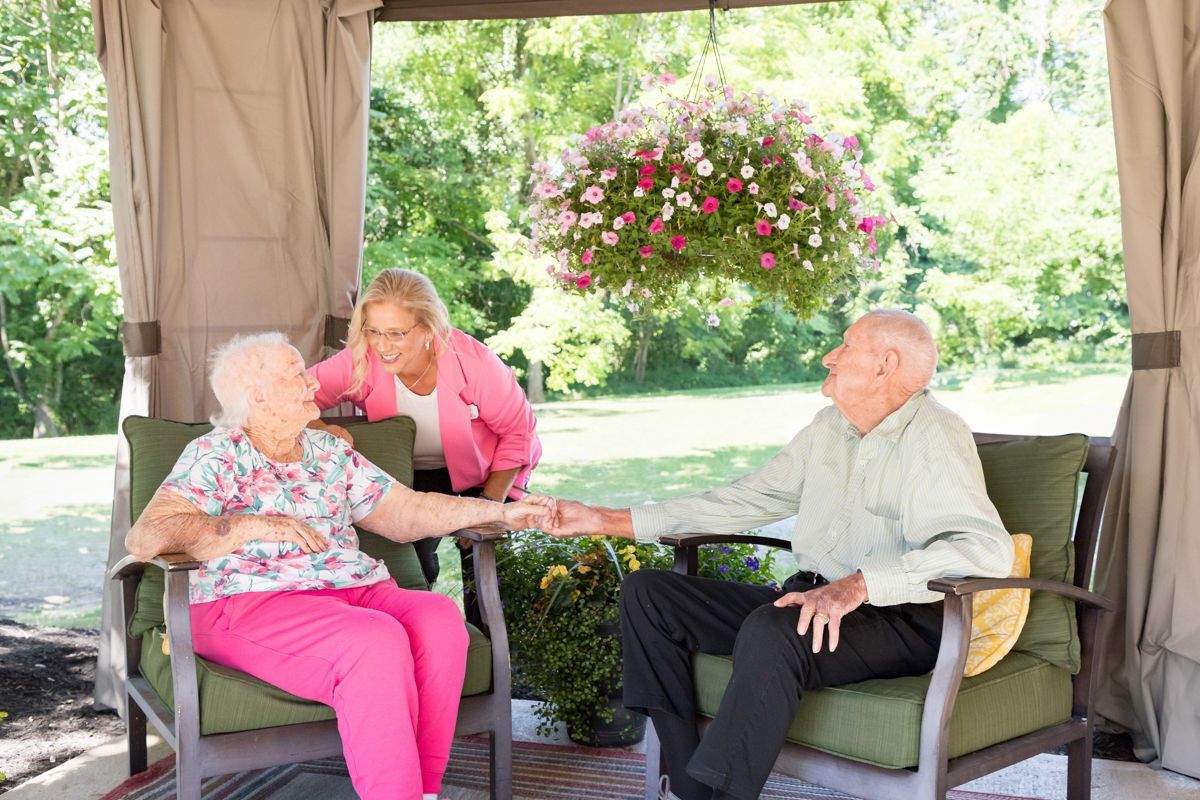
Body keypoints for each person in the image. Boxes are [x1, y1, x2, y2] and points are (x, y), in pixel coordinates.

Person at [545, 309, 1013, 800]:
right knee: (649, 594)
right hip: (810, 602)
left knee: (774, 627)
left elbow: (984, 549)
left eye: (846, 346)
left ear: (885, 365)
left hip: (900, 618)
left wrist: (858, 584)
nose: (830, 355)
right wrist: (603, 518)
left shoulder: (935, 435)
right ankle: (686, 785)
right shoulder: (829, 428)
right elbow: (748, 500)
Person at [125, 332, 555, 800]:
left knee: (438, 618)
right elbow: (146, 537)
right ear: (258, 396)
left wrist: (500, 511)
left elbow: (407, 511)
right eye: (295, 375)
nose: (311, 383)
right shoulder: (216, 454)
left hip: (351, 589)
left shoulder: (329, 451)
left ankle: (423, 791)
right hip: (246, 603)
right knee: (373, 639)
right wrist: (252, 526)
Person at [308, 268, 542, 590]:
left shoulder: (476, 363)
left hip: (488, 474)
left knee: (490, 573)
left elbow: (518, 433)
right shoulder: (361, 359)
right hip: (410, 480)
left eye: (396, 333)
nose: (381, 345)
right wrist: (320, 427)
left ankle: (491, 639)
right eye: (373, 330)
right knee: (413, 569)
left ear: (429, 327)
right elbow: (294, 395)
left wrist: (489, 506)